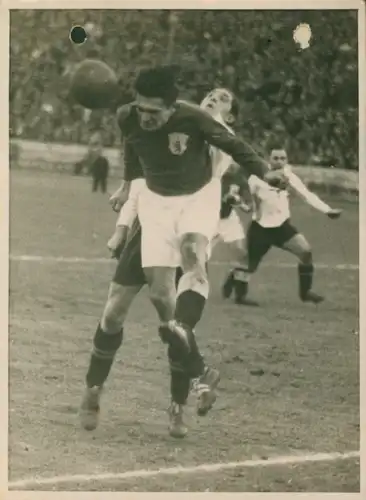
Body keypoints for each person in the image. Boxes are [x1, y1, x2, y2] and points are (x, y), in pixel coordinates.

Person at [79, 71, 269, 437]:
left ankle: (178, 406)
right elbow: (141, 174)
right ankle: (93, 389)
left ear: (230, 119)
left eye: (223, 99)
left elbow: (223, 164)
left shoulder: (212, 144)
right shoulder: (169, 124)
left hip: (191, 228)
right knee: (114, 310)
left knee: (177, 322)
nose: (213, 98)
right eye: (210, 94)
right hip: (152, 222)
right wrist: (122, 225)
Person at [230, 145, 343, 305]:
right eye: (275, 158)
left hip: (282, 227)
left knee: (305, 252)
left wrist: (327, 210)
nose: (279, 161)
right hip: (261, 228)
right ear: (269, 159)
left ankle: (305, 293)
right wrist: (247, 203)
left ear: (287, 160)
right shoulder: (256, 178)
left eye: (283, 158)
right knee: (249, 265)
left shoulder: (289, 176)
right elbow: (250, 202)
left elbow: (306, 194)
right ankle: (239, 294)